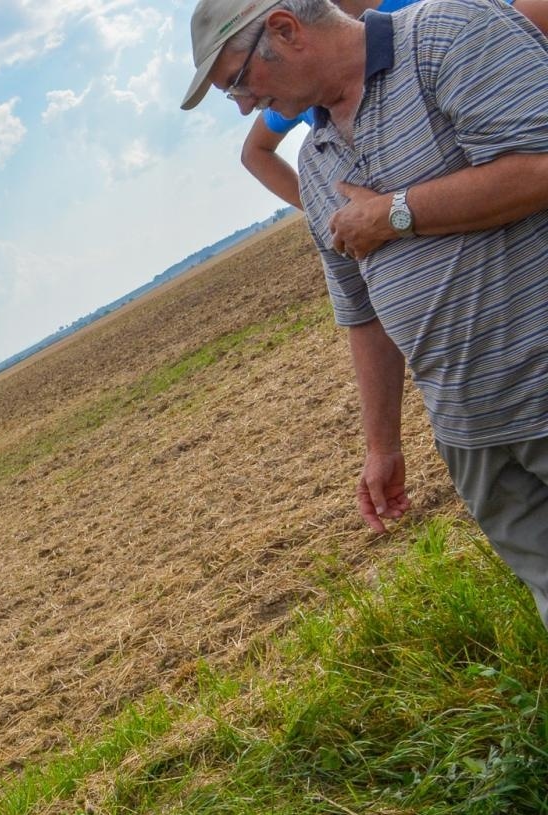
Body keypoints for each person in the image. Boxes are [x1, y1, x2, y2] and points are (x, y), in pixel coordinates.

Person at [181, 0, 548, 627]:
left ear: (286, 30)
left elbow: (539, 165)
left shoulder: (448, 35)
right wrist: (382, 445)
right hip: (472, 433)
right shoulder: (318, 160)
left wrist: (393, 213)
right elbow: (363, 313)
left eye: (238, 82)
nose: (243, 105)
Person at [238, 0, 548, 209]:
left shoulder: (438, 19)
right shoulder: (298, 80)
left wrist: (387, 213)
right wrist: (329, 214)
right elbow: (255, 152)